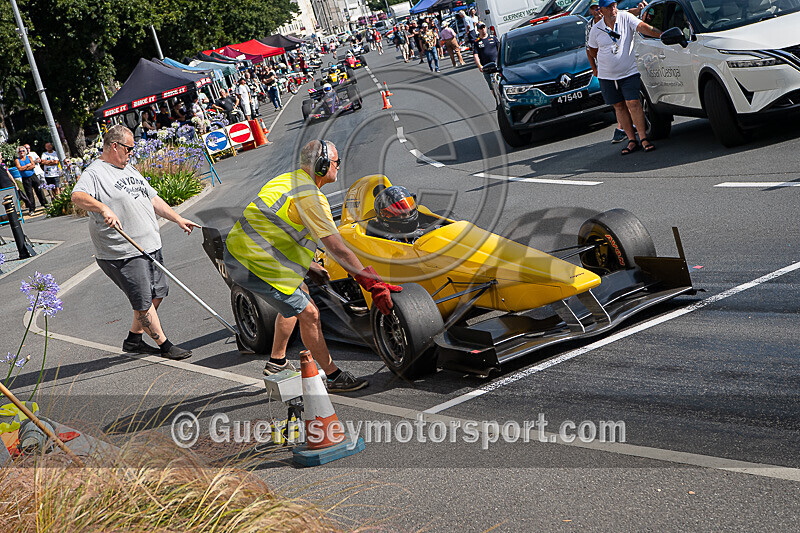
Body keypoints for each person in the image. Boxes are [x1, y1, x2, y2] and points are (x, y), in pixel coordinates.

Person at [223, 140, 402, 392]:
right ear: (321, 165)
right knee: (309, 313)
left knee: (299, 296)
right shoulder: (311, 198)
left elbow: (276, 230)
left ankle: (277, 362)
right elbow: (338, 249)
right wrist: (372, 283)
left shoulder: (287, 180)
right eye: (335, 162)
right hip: (253, 262)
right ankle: (334, 376)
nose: (338, 166)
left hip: (244, 253)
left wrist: (309, 268)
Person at [71, 125, 200, 360]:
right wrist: (102, 207)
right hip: (122, 251)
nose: (132, 153)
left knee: (157, 293)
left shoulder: (129, 169)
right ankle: (165, 345)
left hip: (149, 245)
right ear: (114, 146)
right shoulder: (95, 173)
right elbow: (77, 196)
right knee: (143, 301)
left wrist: (178, 218)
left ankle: (133, 340)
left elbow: (152, 198)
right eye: (129, 148)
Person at [587, 0, 661, 155]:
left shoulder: (625, 17)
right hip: (607, 76)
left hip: (628, 71)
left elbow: (642, 27)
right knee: (619, 106)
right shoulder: (596, 29)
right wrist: (596, 68)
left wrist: (660, 34)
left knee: (633, 102)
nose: (613, 9)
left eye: (614, 5)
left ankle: (643, 138)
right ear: (602, 10)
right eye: (608, 7)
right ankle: (631, 139)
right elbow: (591, 51)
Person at [15, 146, 48, 215]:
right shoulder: (17, 160)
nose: (22, 152)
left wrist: (25, 167)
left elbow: (33, 165)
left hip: (33, 176)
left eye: (23, 151)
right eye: (20, 151)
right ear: (18, 153)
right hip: (25, 178)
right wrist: (27, 165)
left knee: (39, 190)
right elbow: (19, 168)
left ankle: (45, 204)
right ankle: (32, 208)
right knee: (29, 193)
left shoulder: (29, 157)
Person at [473, 23, 501, 102]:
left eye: (484, 27)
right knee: (491, 85)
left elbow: (500, 49)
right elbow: (476, 55)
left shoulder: (493, 38)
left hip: (496, 64)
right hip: (486, 67)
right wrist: (479, 66)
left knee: (500, 81)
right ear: (478, 30)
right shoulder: (477, 42)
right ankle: (497, 100)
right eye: (481, 28)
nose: (483, 30)